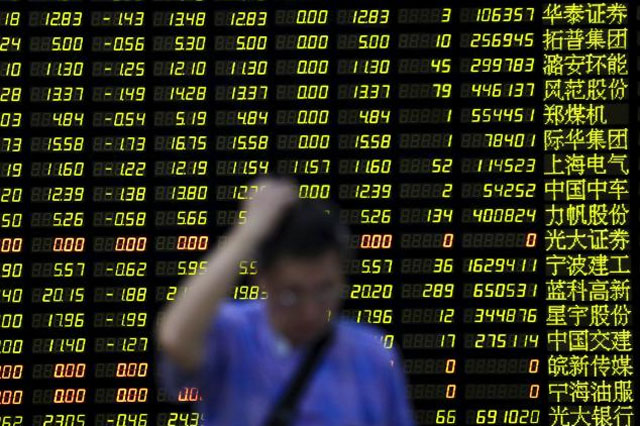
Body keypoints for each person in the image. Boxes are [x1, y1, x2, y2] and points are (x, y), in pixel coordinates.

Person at [155, 176, 416, 426]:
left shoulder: (373, 355)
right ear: (261, 281)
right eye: (291, 295)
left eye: (325, 290)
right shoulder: (232, 336)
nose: (311, 312)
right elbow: (175, 336)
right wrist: (248, 231)